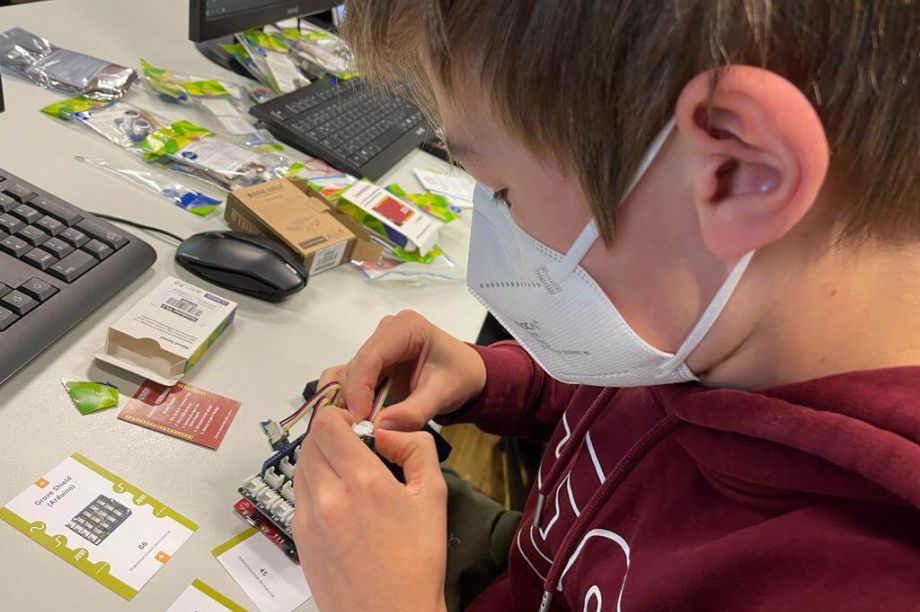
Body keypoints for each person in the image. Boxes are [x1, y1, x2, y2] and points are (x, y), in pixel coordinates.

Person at [290, 1, 920, 610]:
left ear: (737, 172)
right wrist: (488, 377)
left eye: (502, 190)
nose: (497, 218)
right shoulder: (715, 329)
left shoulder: (862, 580)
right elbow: (629, 407)